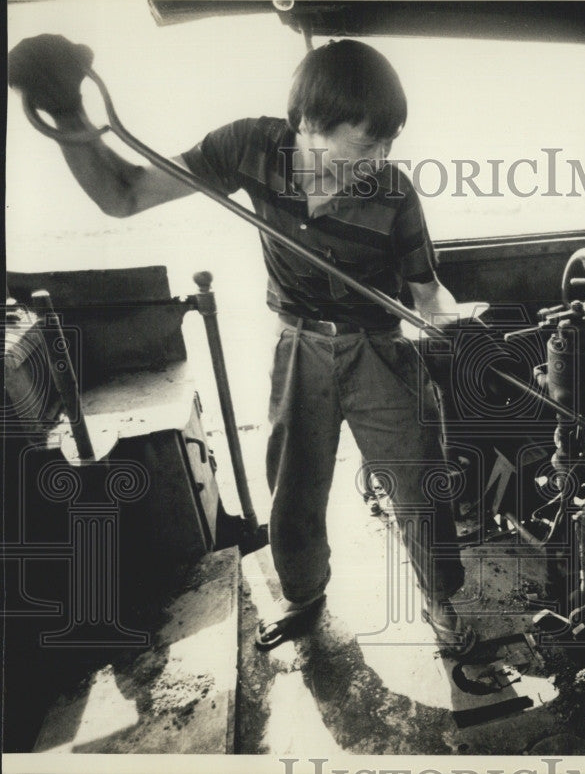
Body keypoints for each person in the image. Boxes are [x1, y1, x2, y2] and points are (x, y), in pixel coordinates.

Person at [8, 34, 476, 656]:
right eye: (368, 141)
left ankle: (441, 601)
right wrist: (67, 110)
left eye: (391, 141)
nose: (383, 156)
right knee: (294, 487)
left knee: (420, 483)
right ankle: (305, 596)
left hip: (379, 348)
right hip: (298, 347)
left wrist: (462, 330)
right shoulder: (250, 147)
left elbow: (428, 295)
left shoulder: (394, 194)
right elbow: (123, 194)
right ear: (309, 123)